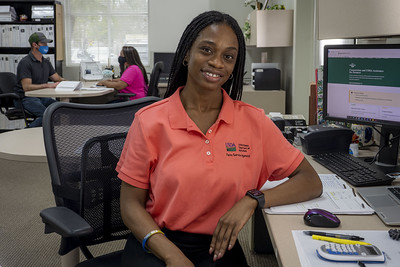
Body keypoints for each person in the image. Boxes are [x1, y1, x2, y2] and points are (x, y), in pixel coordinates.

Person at [117, 11, 322, 267]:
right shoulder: (149, 121)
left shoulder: (254, 122)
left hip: (218, 247)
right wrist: (171, 255)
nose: (217, 63)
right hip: (157, 242)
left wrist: (252, 200)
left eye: (228, 56)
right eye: (207, 50)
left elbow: (310, 181)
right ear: (186, 54)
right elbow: (130, 205)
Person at [15, 32, 63, 128]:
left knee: (60, 109)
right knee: (46, 115)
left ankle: (48, 137)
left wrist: (73, 83)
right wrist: (47, 85)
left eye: (46, 44)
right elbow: (27, 87)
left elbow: (57, 79)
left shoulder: (45, 62)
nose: (46, 46)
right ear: (34, 45)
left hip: (41, 97)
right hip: (26, 98)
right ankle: (24, 133)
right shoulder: (25, 63)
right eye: (43, 43)